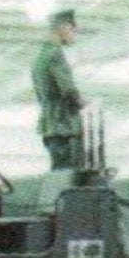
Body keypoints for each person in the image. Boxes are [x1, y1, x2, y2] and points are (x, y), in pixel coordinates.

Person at [31, 9, 84, 170]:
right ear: (64, 27)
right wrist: (82, 103)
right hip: (64, 127)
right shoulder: (55, 54)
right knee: (69, 174)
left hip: (49, 127)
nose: (74, 35)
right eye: (72, 30)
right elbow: (68, 90)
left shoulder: (39, 57)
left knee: (58, 172)